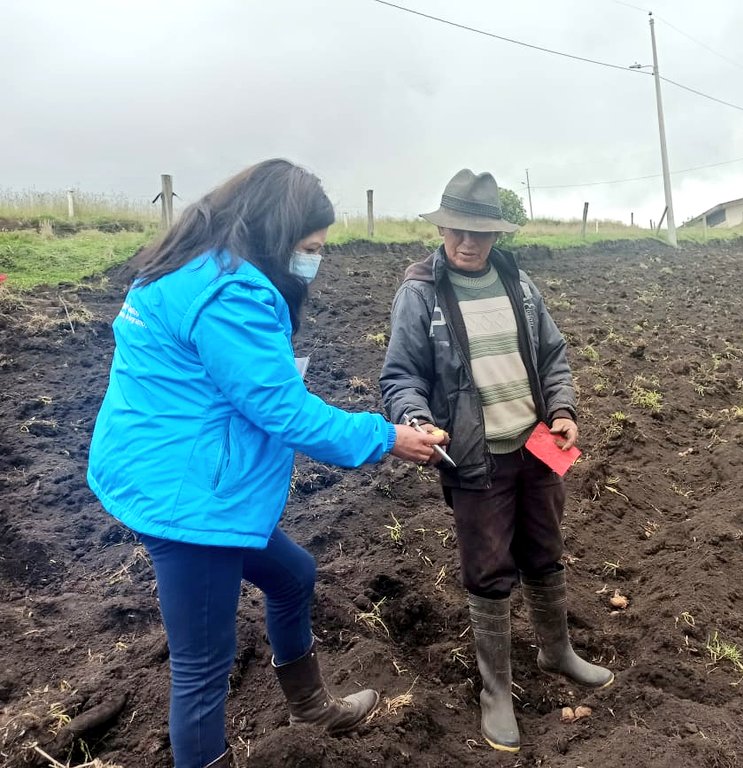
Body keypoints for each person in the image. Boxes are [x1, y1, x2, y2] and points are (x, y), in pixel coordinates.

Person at [87, 159, 443, 768]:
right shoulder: (230, 293)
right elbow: (286, 413)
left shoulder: (184, 265)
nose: (313, 261)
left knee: (292, 575)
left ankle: (308, 707)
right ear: (277, 235)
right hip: (190, 501)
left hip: (164, 467)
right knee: (202, 667)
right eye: (308, 248)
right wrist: (388, 437)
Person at [380, 169, 613, 753]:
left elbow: (553, 353)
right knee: (487, 570)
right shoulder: (420, 293)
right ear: (443, 228)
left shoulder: (520, 284)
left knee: (544, 549)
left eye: (479, 233)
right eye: (457, 230)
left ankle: (556, 650)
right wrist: (414, 420)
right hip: (474, 456)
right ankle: (496, 691)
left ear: (495, 236)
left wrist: (562, 408)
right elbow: (402, 377)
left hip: (536, 449)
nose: (467, 243)